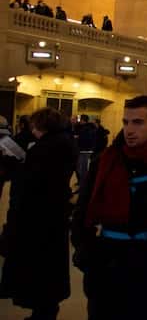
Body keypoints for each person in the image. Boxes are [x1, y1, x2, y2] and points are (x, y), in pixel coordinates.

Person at [71, 95, 147, 320]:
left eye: (138, 122)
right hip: (108, 263)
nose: (129, 129)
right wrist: (87, 254)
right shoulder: (105, 161)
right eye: (125, 122)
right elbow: (83, 212)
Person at [0, 108, 76, 320]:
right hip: (50, 218)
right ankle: (43, 310)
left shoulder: (50, 146)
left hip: (40, 220)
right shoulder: (60, 142)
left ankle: (43, 312)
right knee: (46, 272)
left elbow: (35, 179)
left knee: (41, 272)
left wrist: (14, 165)